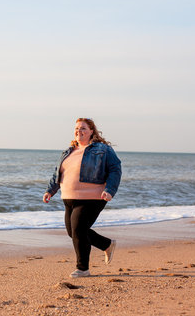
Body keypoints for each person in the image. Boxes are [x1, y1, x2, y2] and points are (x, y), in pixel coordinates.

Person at [43, 118, 122, 278]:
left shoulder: (103, 149)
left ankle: (83, 268)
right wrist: (50, 191)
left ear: (92, 131)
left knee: (79, 229)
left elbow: (115, 169)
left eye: (83, 128)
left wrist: (110, 190)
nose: (79, 131)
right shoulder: (69, 151)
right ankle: (106, 244)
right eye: (77, 128)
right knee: (73, 232)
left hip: (92, 198)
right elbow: (58, 173)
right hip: (69, 198)